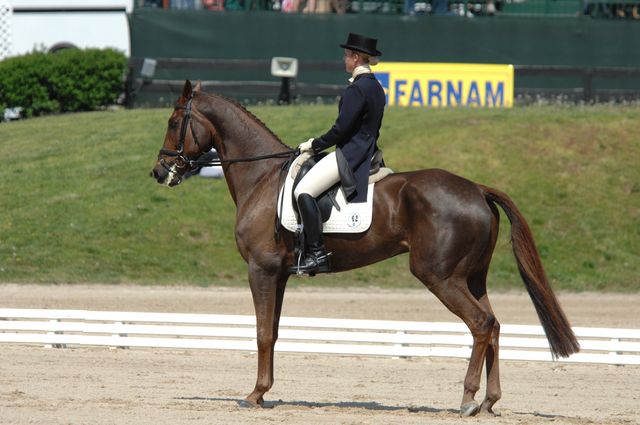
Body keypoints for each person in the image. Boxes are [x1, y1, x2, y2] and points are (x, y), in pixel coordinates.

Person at [292, 33, 386, 275]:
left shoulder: (357, 89)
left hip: (351, 154)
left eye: (346, 55)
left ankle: (317, 254)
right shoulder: (376, 86)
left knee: (303, 191)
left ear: (356, 58)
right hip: (368, 150)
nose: (344, 59)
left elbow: (340, 131)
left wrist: (313, 145)